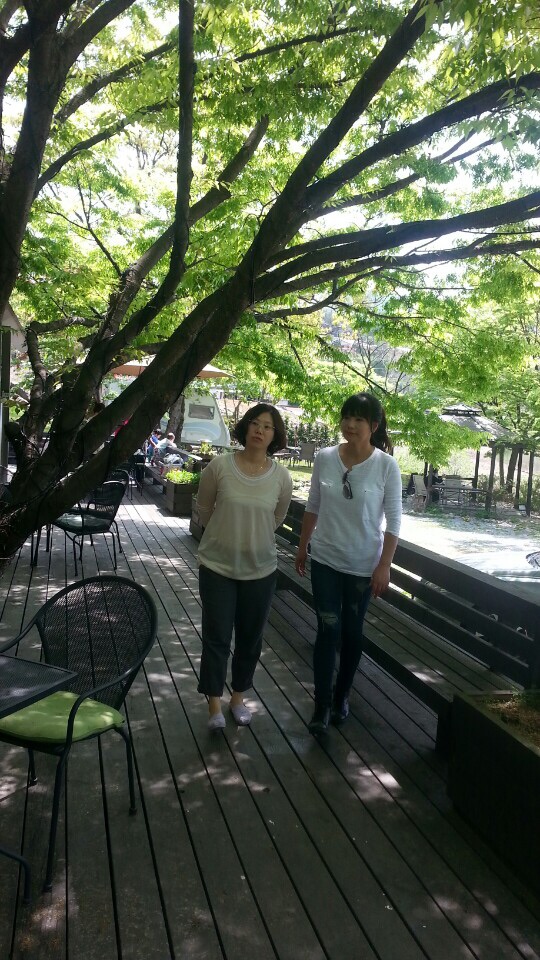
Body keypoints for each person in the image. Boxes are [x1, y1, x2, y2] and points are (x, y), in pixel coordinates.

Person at [295, 392, 402, 734]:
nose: (350, 425)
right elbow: (313, 505)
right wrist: (302, 546)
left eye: (358, 419)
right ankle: (322, 705)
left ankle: (342, 696)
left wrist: (384, 564)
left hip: (362, 566)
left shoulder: (386, 466)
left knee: (352, 634)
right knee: (328, 629)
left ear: (374, 425)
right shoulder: (325, 458)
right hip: (325, 559)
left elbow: (394, 520)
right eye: (346, 417)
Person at [196, 403, 293, 730]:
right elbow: (204, 509)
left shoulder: (281, 477)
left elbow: (277, 518)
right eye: (254, 423)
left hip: (260, 571)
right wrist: (227, 535)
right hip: (217, 567)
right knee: (217, 637)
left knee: (250, 639)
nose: (259, 430)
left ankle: (237, 698)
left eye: (267, 426)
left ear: (274, 435)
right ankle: (214, 703)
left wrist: (251, 537)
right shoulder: (219, 466)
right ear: (245, 428)